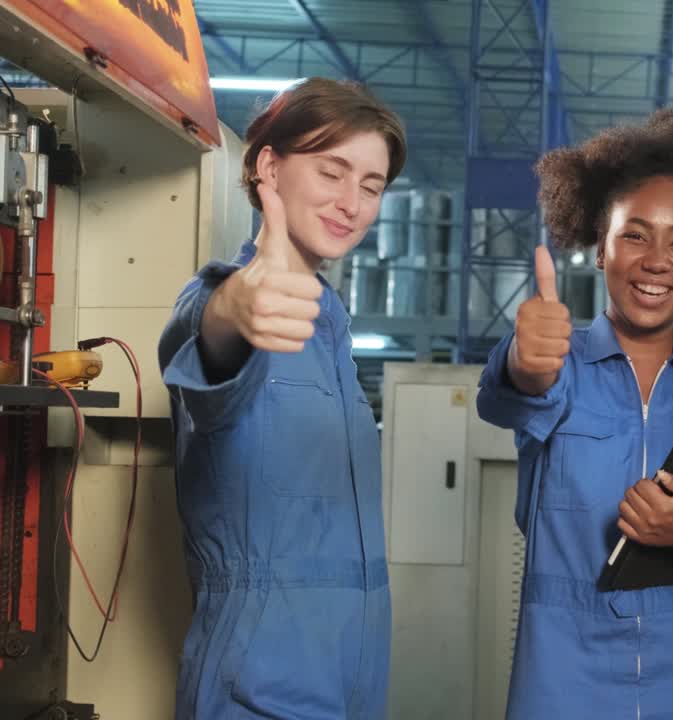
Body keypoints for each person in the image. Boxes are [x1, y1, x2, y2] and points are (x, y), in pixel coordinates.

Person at [476, 109, 673, 719]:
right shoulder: (557, 363)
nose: (658, 259)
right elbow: (506, 394)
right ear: (600, 247)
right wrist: (529, 359)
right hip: (562, 685)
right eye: (635, 234)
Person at [157, 78, 406, 719]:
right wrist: (233, 309)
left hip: (352, 688)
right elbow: (208, 333)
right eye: (332, 171)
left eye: (372, 186)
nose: (352, 202)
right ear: (269, 165)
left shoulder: (331, 325)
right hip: (255, 694)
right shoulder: (224, 296)